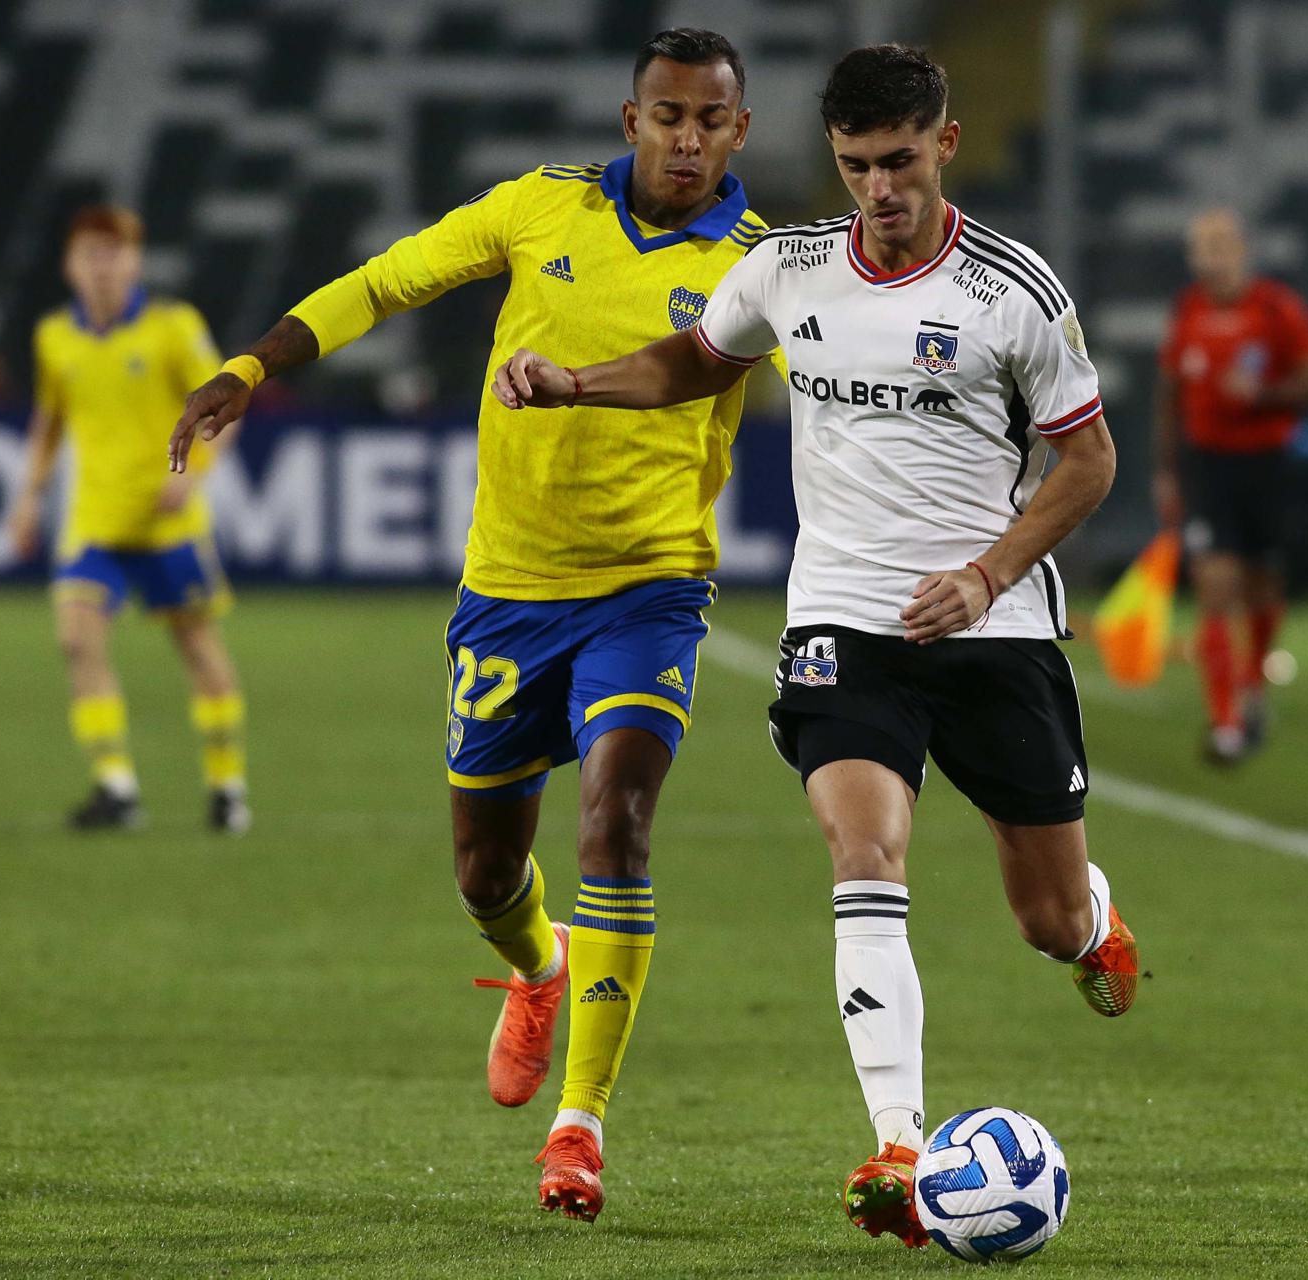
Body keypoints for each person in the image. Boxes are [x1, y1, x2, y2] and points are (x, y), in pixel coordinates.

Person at [486, 43, 1139, 1252]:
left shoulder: (1016, 293)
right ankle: (898, 1140)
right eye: (854, 166)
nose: (877, 189)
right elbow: (697, 359)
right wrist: (576, 381)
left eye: (898, 162)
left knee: (1044, 918)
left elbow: (1087, 461)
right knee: (862, 846)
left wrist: (988, 570)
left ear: (944, 146)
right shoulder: (786, 270)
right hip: (845, 622)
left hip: (993, 628)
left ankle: (1095, 921)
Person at [167, 28, 771, 1225]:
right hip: (507, 589)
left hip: (651, 589)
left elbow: (862, 387)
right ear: (630, 118)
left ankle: (580, 1128)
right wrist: (251, 362)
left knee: (620, 817)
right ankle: (538, 966)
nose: (688, 137)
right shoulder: (535, 210)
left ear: (740, 132)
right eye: (668, 115)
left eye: (711, 118)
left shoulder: (765, 263)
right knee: (486, 869)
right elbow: (388, 280)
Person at [10, 205, 249, 834]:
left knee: (197, 646)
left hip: (166, 523)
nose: (102, 267)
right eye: (90, 254)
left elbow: (227, 404)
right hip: (94, 522)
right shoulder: (54, 337)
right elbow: (49, 421)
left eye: (113, 254)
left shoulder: (173, 327)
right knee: (76, 639)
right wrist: (29, 495)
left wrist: (194, 476)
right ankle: (116, 787)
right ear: (69, 265)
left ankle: (227, 787)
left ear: (135, 261)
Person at [1154, 209, 1308, 764]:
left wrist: (1262, 393)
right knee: (1215, 584)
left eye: (1221, 246)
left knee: (1262, 583)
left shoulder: (1278, 309)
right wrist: (1166, 471)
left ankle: (1253, 681)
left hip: (1267, 461)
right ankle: (1225, 721)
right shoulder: (1187, 311)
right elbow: (1170, 396)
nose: (1212, 257)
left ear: (1242, 252)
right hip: (1208, 464)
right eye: (1202, 247)